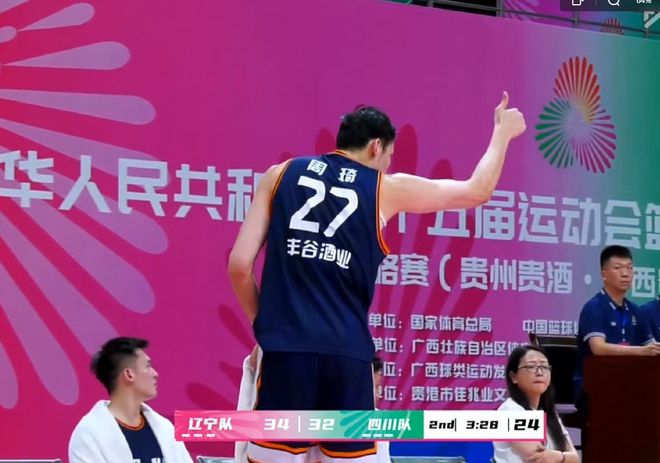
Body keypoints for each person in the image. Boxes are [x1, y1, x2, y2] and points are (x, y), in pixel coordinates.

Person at [228, 94, 525, 463]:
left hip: (286, 352)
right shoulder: (384, 187)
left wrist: (268, 325)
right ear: (376, 147)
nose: (387, 165)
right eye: (388, 157)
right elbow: (477, 190)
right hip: (348, 358)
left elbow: (240, 265)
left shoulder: (279, 175)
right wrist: (502, 134)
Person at [69, 337, 193, 463]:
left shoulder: (165, 428)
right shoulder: (88, 434)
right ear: (129, 374)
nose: (155, 374)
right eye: (148, 366)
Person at [574, 245, 660, 411]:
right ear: (604, 275)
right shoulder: (594, 307)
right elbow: (598, 348)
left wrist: (652, 350)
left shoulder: (635, 310)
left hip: (628, 384)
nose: (625, 274)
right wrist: (641, 351)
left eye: (629, 268)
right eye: (618, 268)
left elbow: (651, 348)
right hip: (595, 385)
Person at [493, 345, 580, 463]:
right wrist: (563, 456)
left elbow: (576, 458)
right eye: (531, 367)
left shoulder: (549, 413)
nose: (539, 372)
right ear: (514, 377)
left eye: (544, 367)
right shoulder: (511, 411)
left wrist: (557, 456)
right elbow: (538, 459)